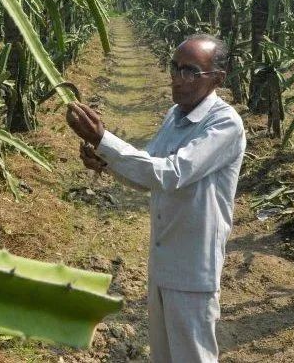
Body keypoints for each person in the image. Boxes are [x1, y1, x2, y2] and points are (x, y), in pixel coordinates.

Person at [65, 33, 246, 363]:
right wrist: (106, 163)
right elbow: (150, 174)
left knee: (193, 356)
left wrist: (104, 139)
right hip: (163, 261)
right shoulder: (174, 115)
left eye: (190, 71)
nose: (178, 79)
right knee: (163, 355)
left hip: (193, 267)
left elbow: (170, 173)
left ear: (218, 78)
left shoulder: (224, 124)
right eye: (174, 67)